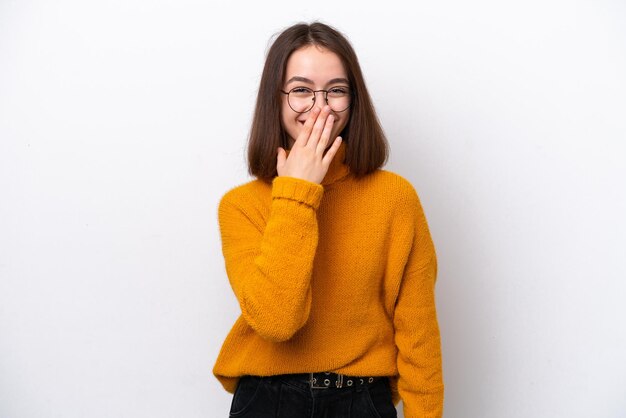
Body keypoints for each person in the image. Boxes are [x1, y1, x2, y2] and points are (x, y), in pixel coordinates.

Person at [212, 21, 444, 418]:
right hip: (267, 401)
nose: (320, 107)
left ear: (354, 101)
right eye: (301, 90)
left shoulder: (394, 197)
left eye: (335, 90)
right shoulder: (240, 205)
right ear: (275, 99)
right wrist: (297, 193)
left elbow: (418, 332)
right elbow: (276, 321)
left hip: (361, 401)